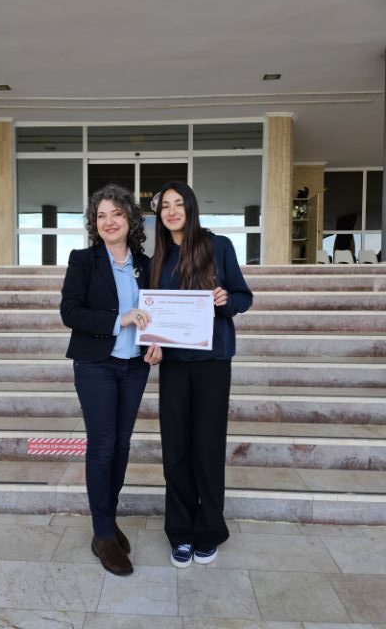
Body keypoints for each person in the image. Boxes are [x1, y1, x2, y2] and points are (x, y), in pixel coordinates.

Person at [150, 181, 253, 568]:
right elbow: (152, 311)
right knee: (176, 449)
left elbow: (243, 297)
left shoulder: (218, 246)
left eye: (179, 204)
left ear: (191, 208)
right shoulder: (159, 257)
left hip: (212, 361)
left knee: (207, 448)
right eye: (165, 206)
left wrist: (225, 300)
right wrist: (151, 343)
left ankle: (209, 529)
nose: (172, 211)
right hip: (174, 364)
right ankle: (180, 532)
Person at [60, 183, 161, 577]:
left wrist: (158, 343)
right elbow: (70, 312)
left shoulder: (146, 264)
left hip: (134, 366)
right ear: (94, 223)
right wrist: (120, 319)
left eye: (116, 214)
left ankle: (108, 518)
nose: (108, 221)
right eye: (101, 216)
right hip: (96, 365)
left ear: (130, 219)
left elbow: (158, 313)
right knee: (102, 447)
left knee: (121, 446)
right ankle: (102, 533)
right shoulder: (83, 261)